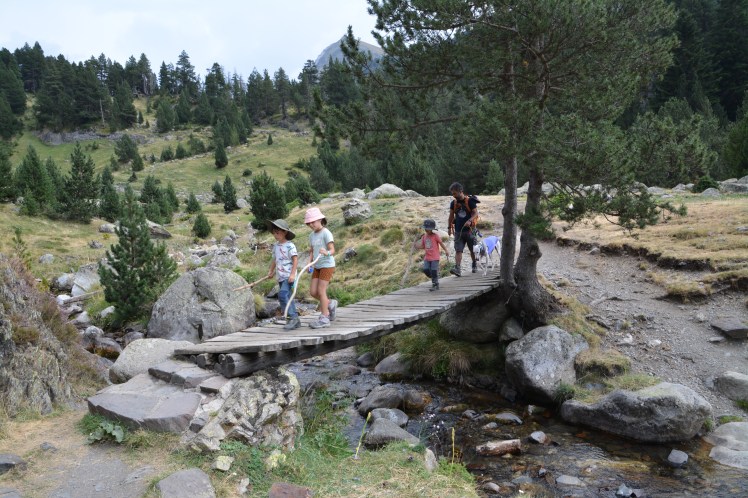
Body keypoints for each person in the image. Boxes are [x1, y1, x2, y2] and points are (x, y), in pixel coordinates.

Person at [304, 207, 337, 329]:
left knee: (321, 291)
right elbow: (312, 250)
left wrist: (326, 252)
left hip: (327, 265)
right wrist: (309, 263)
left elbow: (332, 250)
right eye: (309, 223)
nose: (311, 225)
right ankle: (330, 303)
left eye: (313, 222)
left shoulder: (326, 233)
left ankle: (325, 317)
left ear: (320, 219)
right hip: (317, 265)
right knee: (313, 292)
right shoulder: (311, 235)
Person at [265, 219, 301, 330]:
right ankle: (295, 320)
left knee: (282, 295)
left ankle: (292, 317)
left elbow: (295, 260)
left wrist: (292, 275)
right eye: (274, 233)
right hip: (280, 276)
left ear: (285, 232)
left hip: (289, 276)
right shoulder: (276, 246)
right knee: (288, 296)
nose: (275, 235)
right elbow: (275, 259)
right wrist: (271, 271)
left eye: (278, 233)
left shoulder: (290, 246)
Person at [447, 182, 479, 276]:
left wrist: (469, 220)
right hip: (458, 231)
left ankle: (474, 265)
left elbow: (476, 213)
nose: (453, 195)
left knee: (473, 249)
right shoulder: (453, 203)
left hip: (470, 230)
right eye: (452, 193)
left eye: (455, 193)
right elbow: (451, 216)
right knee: (458, 250)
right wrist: (449, 227)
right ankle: (457, 268)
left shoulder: (470, 201)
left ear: (460, 191)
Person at [414, 219, 449, 291]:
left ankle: (435, 284)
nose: (426, 230)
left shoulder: (435, 236)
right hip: (427, 257)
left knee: (433, 270)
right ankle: (434, 277)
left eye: (428, 229)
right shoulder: (424, 237)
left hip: (435, 257)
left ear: (432, 229)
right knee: (425, 269)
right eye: (425, 228)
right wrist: (416, 246)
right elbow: (423, 246)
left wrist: (446, 250)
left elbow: (441, 243)